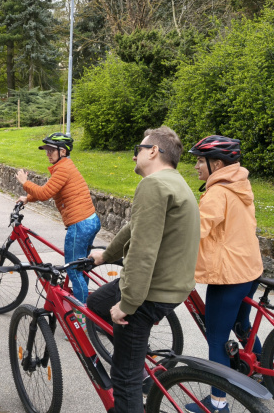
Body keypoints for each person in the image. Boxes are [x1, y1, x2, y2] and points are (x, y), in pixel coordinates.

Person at [87, 126, 200, 413]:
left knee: (124, 380)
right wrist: (106, 256)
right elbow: (135, 228)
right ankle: (136, 354)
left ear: (153, 151)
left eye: (138, 148)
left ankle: (134, 366)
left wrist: (127, 303)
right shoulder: (175, 181)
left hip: (150, 292)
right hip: (173, 286)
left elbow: (142, 251)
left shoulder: (153, 185)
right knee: (97, 303)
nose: (134, 155)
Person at [184, 135, 263, 413]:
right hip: (250, 269)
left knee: (216, 339)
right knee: (242, 323)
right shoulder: (240, 183)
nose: (195, 166)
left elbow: (195, 229)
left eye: (199, 160)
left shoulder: (218, 192)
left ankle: (217, 404)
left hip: (229, 276)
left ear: (216, 163)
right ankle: (262, 374)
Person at [15, 132, 100, 311]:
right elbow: (51, 190)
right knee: (81, 268)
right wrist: (27, 198)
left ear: (63, 151)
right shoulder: (64, 166)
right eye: (46, 149)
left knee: (73, 271)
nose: (48, 153)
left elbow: (45, 194)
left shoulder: (63, 168)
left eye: (52, 149)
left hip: (80, 225)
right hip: (89, 221)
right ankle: (89, 308)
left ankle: (82, 320)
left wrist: (25, 182)